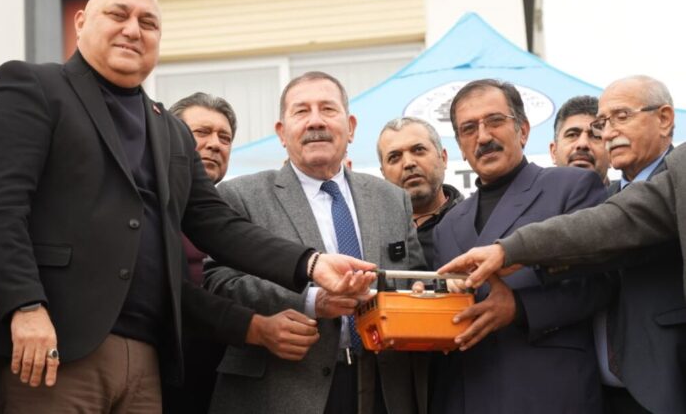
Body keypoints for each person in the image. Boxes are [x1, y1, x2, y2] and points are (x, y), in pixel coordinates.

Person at [0, 0, 375, 413]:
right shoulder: (33, 86)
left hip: (148, 360)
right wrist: (25, 305)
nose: (133, 30)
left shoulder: (169, 129)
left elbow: (218, 225)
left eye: (148, 22)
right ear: (81, 23)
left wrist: (312, 263)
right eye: (118, 15)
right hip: (55, 345)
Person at [444, 76, 685, 414]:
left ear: (665, 118)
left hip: (663, 384)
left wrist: (511, 258)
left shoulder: (662, 181)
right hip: (603, 393)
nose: (608, 132)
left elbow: (609, 236)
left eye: (622, 116)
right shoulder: (450, 224)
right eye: (604, 122)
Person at [205, 71, 428, 414]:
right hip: (280, 390)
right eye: (301, 111)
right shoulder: (240, 196)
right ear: (282, 133)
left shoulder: (392, 199)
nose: (315, 121)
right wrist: (310, 301)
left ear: (350, 127)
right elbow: (217, 282)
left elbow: (415, 279)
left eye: (327, 109)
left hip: (382, 388)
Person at [429, 79, 612, 414]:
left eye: (495, 121)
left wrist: (520, 308)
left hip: (548, 392)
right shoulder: (448, 226)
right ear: (460, 146)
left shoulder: (570, 187)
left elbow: (601, 282)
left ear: (523, 130)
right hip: (467, 393)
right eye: (469, 129)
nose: (483, 136)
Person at [165, 92, 238, 413]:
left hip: (223, 382)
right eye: (202, 133)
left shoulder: (239, 216)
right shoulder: (145, 207)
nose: (215, 144)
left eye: (225, 137)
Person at [377, 117, 463, 268]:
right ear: (383, 173)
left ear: (443, 158)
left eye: (418, 150)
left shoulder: (475, 219)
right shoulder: (372, 233)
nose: (408, 163)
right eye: (394, 157)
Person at [550, 95, 610, 185]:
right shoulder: (531, 193)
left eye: (595, 136)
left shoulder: (629, 194)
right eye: (572, 135)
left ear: (611, 154)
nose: (583, 144)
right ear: (554, 152)